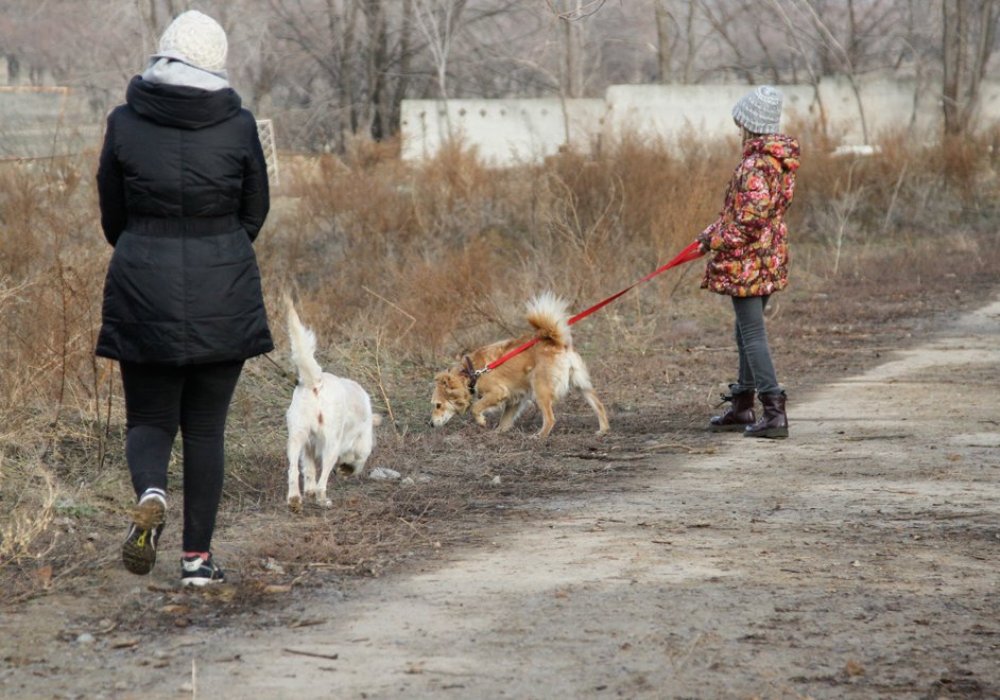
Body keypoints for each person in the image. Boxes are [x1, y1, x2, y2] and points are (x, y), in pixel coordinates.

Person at [96, 10, 273, 585]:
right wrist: (217, 248)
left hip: (142, 285)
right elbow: (255, 209)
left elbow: (112, 214)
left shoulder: (124, 122)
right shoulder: (239, 124)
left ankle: (151, 492)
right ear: (217, 62)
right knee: (205, 430)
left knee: (148, 418)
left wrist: (146, 247)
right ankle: (197, 562)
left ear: (163, 55)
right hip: (223, 286)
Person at [696, 85, 800, 439]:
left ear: (750, 123)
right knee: (744, 331)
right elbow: (743, 216)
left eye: (740, 121)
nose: (736, 127)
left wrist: (714, 241)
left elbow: (746, 223)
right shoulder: (777, 162)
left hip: (749, 262)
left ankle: (773, 411)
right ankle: (743, 406)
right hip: (767, 256)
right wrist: (706, 236)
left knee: (752, 334)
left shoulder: (756, 165)